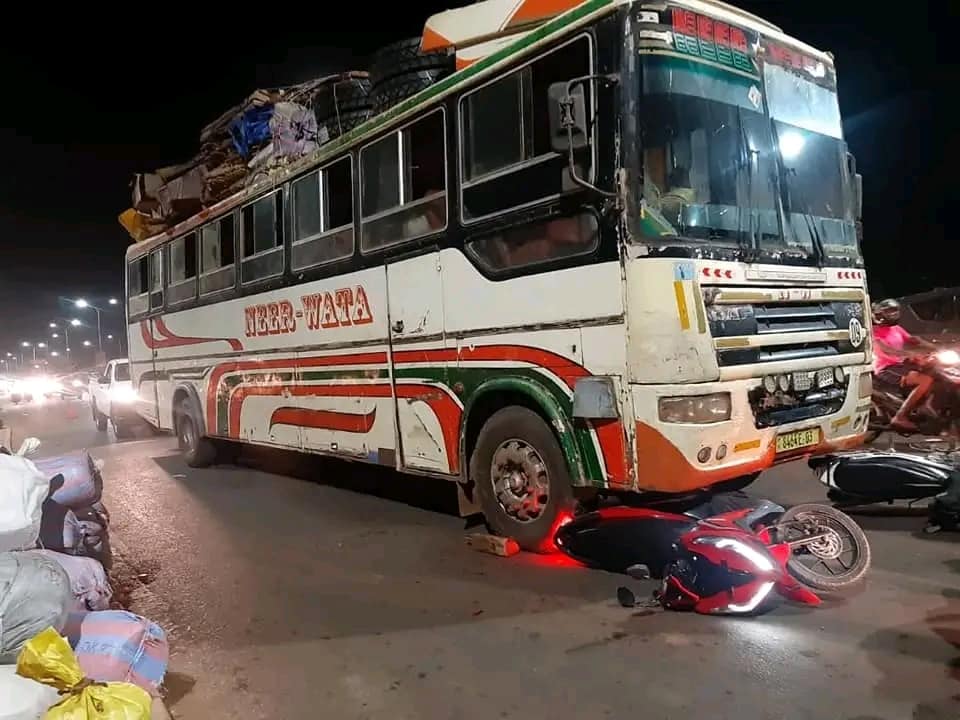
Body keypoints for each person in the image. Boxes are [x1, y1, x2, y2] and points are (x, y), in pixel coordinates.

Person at [872, 298, 936, 430]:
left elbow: (914, 340)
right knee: (925, 380)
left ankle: (924, 406)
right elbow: (888, 350)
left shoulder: (896, 328)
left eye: (895, 311)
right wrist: (910, 354)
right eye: (889, 311)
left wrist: (936, 347)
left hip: (900, 365)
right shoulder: (874, 332)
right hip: (886, 368)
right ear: (880, 314)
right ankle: (900, 417)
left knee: (934, 370)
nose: (893, 314)